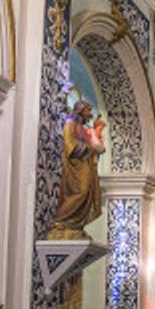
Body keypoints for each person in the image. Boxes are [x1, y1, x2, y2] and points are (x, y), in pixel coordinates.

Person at [51, 100, 105, 239]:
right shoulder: (70, 123)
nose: (90, 114)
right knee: (80, 191)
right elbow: (70, 144)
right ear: (80, 110)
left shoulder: (82, 126)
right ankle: (61, 220)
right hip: (75, 165)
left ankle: (75, 224)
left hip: (85, 163)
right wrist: (89, 147)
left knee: (87, 192)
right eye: (88, 110)